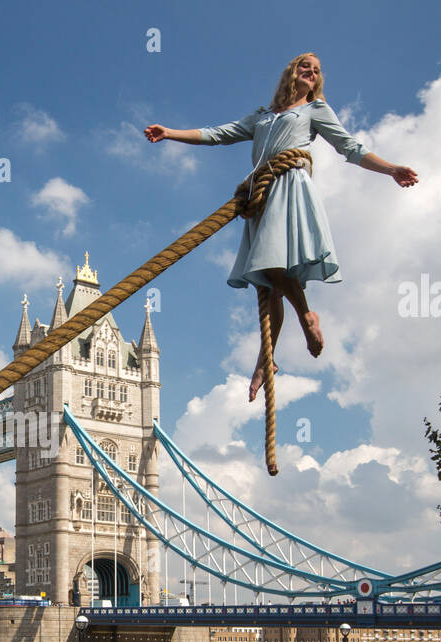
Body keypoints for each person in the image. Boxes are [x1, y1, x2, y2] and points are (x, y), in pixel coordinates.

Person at [144, 52, 417, 402]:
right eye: (306, 66)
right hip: (262, 194)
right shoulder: (263, 116)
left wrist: (391, 169)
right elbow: (218, 134)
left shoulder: (315, 111)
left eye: (317, 71)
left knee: (272, 269)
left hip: (288, 186)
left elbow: (350, 147)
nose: (312, 72)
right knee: (270, 282)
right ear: (292, 71)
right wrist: (170, 133)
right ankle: (265, 361)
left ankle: (306, 315)